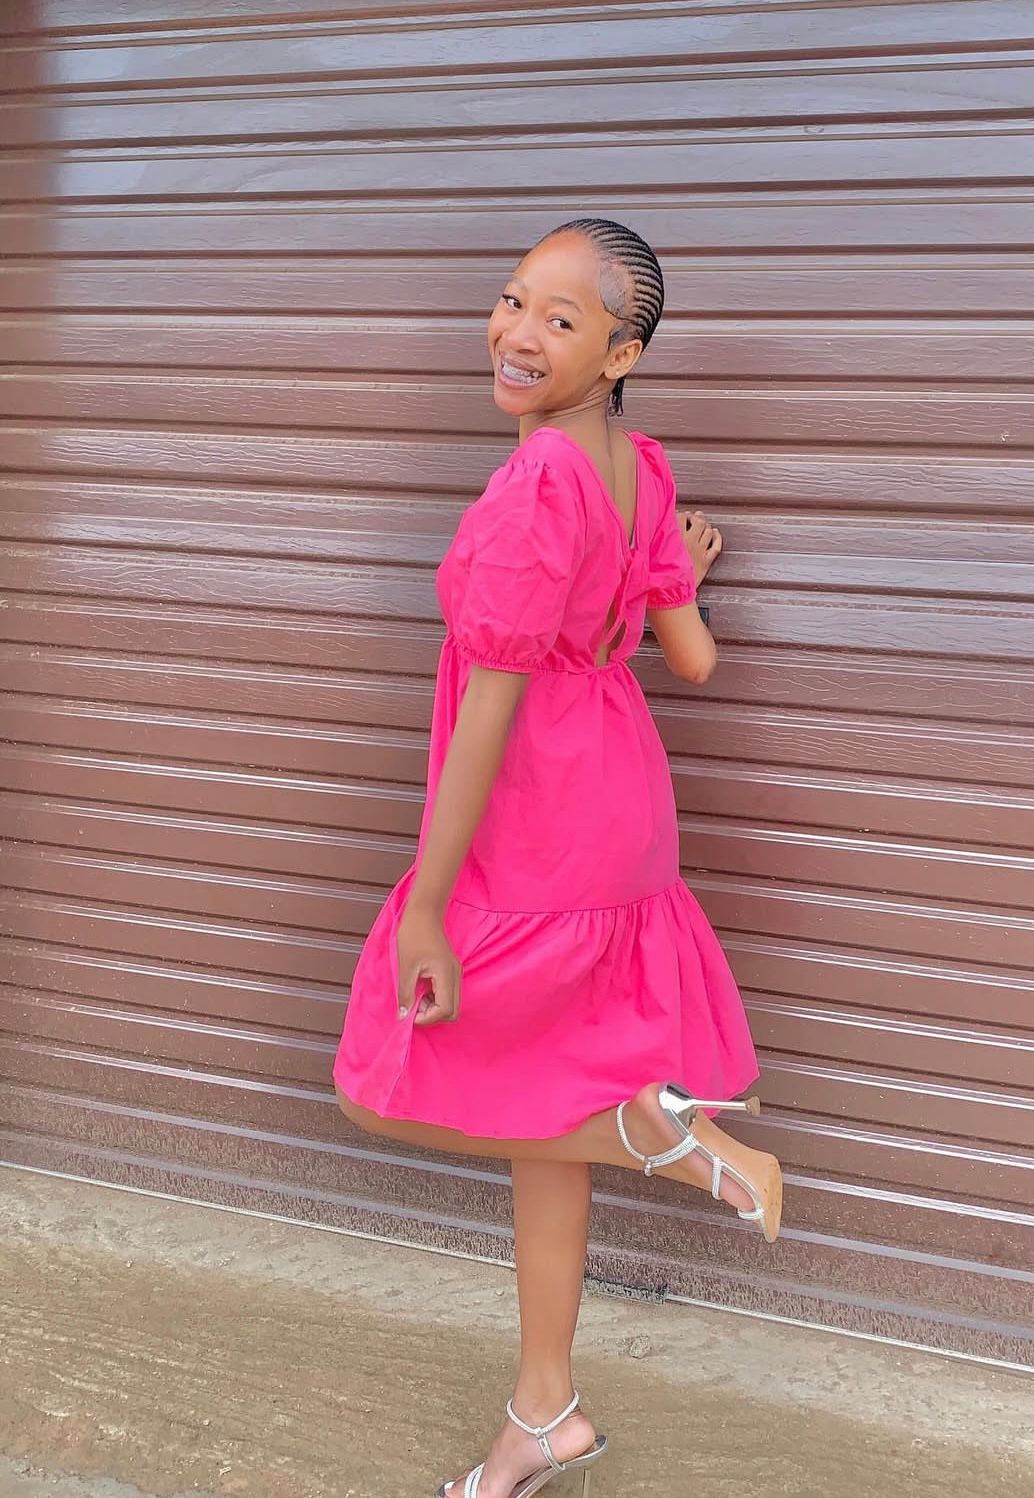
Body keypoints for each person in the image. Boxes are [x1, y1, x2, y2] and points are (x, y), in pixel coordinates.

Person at [333, 216, 783, 1498]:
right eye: (513, 298)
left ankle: (662, 1135)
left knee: (393, 1074)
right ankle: (543, 1412)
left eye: (561, 318)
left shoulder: (538, 483)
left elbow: (490, 701)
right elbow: (690, 660)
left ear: (618, 352)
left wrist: (429, 902)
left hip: (536, 807)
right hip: (619, 791)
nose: (518, 331)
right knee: (544, 1126)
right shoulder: (638, 467)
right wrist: (678, 571)